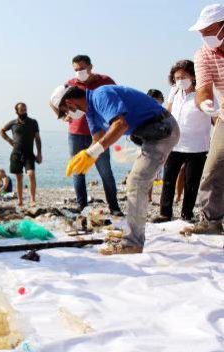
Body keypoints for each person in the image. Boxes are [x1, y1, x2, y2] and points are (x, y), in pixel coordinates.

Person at [50, 83, 180, 255]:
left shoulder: (100, 95)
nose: (68, 116)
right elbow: (97, 138)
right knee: (136, 182)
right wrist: (86, 157)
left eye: (65, 111)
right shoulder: (90, 111)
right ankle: (132, 236)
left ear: (70, 102)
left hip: (163, 129)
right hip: (151, 133)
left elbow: (120, 125)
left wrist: (92, 153)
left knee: (136, 182)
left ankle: (132, 243)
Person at [181, 4, 224, 235]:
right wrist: (205, 103)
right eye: (201, 30)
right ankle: (212, 220)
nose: (203, 35)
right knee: (214, 167)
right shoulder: (203, 54)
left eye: (209, 29)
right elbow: (204, 88)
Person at [61, 55, 122, 215]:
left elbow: (117, 101)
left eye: (82, 68)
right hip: (76, 133)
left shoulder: (105, 80)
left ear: (90, 66)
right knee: (78, 170)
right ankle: (82, 207)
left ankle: (114, 208)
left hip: (101, 134)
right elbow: (54, 101)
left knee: (105, 170)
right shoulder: (71, 84)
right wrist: (62, 115)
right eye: (76, 70)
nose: (79, 72)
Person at [152, 60, 212, 223]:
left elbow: (214, 117)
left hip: (197, 146)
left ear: (193, 76)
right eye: (176, 77)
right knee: (169, 179)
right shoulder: (175, 91)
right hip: (175, 143)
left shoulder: (203, 92)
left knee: (191, 183)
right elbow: (169, 112)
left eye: (183, 76)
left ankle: (187, 213)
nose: (179, 80)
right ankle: (165, 213)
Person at [0, 102, 42, 206]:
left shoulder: (33, 122)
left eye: (25, 109)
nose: (24, 111)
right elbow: (1, 131)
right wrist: (9, 140)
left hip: (29, 154)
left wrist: (39, 153)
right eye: (21, 109)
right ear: (17, 111)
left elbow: (37, 138)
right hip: (16, 153)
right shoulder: (13, 123)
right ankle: (20, 201)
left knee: (31, 174)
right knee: (19, 178)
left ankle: (32, 200)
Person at [146, 89, 165, 203]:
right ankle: (148, 196)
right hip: (149, 144)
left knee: (162, 173)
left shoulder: (165, 113)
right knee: (149, 172)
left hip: (164, 145)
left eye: (158, 101)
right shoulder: (145, 113)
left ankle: (167, 196)